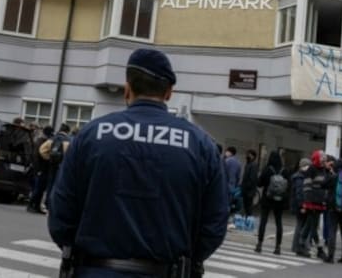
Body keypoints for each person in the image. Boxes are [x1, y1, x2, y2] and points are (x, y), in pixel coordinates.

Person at [48, 48, 228, 277]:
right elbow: (214, 223)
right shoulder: (199, 144)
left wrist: (81, 254)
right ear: (169, 92)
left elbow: (61, 213)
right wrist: (186, 258)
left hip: (94, 270)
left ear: (127, 89)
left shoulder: (90, 136)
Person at [255, 151, 290, 255]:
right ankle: (278, 247)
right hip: (279, 200)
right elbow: (289, 185)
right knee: (278, 222)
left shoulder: (267, 169)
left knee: (263, 221)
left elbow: (259, 184)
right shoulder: (285, 171)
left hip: (267, 198)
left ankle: (259, 244)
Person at [301, 150, 329, 260]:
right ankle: (320, 249)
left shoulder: (323, 170)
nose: (323, 163)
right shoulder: (311, 169)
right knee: (314, 226)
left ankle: (302, 244)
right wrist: (307, 202)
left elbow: (324, 185)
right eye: (321, 161)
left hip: (319, 201)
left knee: (309, 225)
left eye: (324, 161)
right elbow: (307, 186)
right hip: (312, 202)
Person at [42, 123, 72, 211]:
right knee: (59, 185)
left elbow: (42, 150)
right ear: (67, 131)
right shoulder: (68, 140)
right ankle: (54, 204)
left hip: (52, 164)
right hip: (61, 165)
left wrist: (49, 158)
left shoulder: (52, 138)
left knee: (50, 184)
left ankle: (47, 203)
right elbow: (68, 153)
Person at [27, 124, 53, 214]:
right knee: (38, 189)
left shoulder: (43, 140)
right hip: (40, 168)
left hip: (44, 168)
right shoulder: (41, 141)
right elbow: (35, 156)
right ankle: (31, 205)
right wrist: (38, 170)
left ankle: (37, 206)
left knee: (41, 189)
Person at [290, 158, 312, 257]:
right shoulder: (299, 177)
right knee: (300, 226)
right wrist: (302, 205)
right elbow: (299, 193)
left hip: (300, 204)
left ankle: (296, 246)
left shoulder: (300, 176)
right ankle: (298, 246)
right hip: (300, 205)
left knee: (300, 225)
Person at [241, 149, 259, 217]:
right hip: (246, 190)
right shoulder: (248, 164)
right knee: (246, 206)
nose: (246, 156)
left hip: (249, 190)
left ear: (252, 156)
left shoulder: (253, 165)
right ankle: (247, 218)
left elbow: (252, 178)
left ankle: (249, 219)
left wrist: (246, 187)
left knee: (248, 206)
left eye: (248, 154)